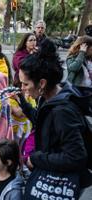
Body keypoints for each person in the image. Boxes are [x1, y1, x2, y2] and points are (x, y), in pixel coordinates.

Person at [17, 38, 91, 198]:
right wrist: (22, 102)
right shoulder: (50, 96)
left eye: (25, 84)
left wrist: (36, 159)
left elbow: (76, 157)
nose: (22, 88)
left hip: (63, 183)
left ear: (42, 83)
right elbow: (43, 121)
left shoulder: (63, 112)